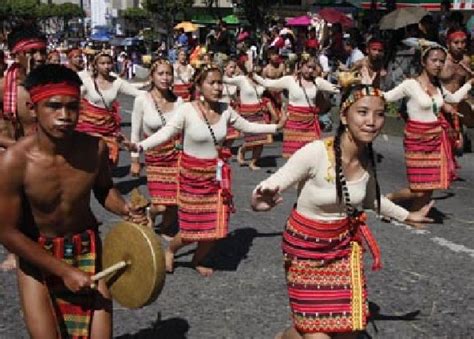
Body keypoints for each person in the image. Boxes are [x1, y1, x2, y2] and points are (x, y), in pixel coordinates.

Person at [251, 82, 434, 339]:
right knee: (316, 332)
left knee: (348, 331)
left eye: (379, 114)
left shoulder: (366, 157)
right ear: (344, 116)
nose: (372, 121)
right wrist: (259, 200)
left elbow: (371, 199)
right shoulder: (315, 153)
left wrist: (408, 216)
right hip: (305, 251)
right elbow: (273, 184)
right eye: (362, 112)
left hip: (342, 250)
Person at [0, 64, 146, 338]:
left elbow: (104, 190)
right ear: (33, 108)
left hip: (87, 251)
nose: (64, 116)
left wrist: (125, 208)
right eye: (54, 106)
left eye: (72, 107)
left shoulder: (95, 148)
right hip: (38, 258)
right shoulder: (13, 162)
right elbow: (6, 232)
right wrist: (62, 270)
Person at [127, 64, 286, 276]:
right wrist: (138, 148)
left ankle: (198, 259)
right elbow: (165, 133)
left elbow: (248, 126)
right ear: (200, 86)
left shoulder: (226, 110)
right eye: (212, 83)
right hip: (191, 177)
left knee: (215, 229)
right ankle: (171, 251)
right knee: (190, 230)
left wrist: (276, 127)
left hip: (216, 179)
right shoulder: (187, 110)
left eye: (220, 82)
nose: (218, 87)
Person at [382, 41, 472, 211]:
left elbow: (452, 99)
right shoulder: (410, 85)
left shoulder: (438, 86)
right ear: (424, 62)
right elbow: (386, 97)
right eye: (434, 60)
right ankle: (388, 199)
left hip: (436, 139)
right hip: (416, 140)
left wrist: (469, 84)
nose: (438, 65)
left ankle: (417, 215)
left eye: (441, 61)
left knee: (429, 186)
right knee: (417, 189)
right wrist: (363, 88)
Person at [0, 25, 47, 271]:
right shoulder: (3, 88)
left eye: (42, 51)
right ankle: (18, 250)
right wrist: (22, 149)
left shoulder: (54, 82)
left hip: (51, 156)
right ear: (16, 55)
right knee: (17, 209)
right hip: (17, 156)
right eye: (31, 52)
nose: (38, 58)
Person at [130, 59, 183, 236]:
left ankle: (167, 229)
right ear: (152, 76)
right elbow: (135, 133)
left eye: (168, 74)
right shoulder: (142, 99)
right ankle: (150, 213)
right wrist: (135, 160)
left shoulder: (180, 102)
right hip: (154, 157)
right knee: (160, 205)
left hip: (176, 156)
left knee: (175, 201)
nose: (165, 78)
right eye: (161, 73)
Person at [252, 55, 339, 158]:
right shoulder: (290, 80)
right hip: (293, 125)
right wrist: (252, 74)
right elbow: (268, 84)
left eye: (313, 68)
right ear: (301, 66)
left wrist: (350, 80)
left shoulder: (317, 82)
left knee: (310, 157)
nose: (310, 70)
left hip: (310, 125)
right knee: (294, 158)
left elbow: (336, 89)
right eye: (308, 67)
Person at [76, 52, 143, 166]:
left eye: (109, 63)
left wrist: (156, 91)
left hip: (109, 128)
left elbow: (137, 93)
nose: (106, 66)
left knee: (109, 160)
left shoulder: (117, 82)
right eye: (102, 63)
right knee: (91, 160)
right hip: (88, 128)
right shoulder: (87, 82)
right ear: (95, 65)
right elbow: (74, 98)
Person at [223, 60, 279, 170]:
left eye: (252, 65)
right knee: (251, 139)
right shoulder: (241, 79)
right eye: (248, 65)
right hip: (247, 113)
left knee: (261, 140)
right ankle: (242, 150)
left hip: (259, 112)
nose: (251, 67)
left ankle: (253, 162)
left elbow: (271, 85)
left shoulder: (259, 80)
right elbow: (226, 80)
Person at [439, 28, 472, 152]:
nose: (460, 46)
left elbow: (467, 84)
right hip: (441, 104)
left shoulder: (466, 61)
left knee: (458, 147)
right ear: (448, 43)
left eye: (463, 42)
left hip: (458, 105)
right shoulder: (440, 60)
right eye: (456, 42)